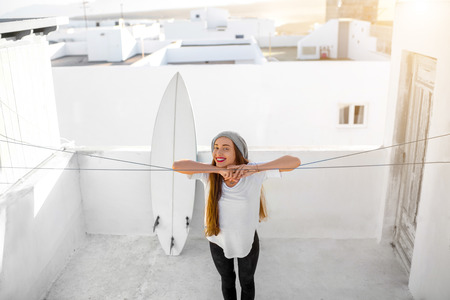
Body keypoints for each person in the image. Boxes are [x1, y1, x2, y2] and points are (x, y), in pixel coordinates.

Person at [172, 131, 300, 300]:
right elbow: (177, 165)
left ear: (238, 152)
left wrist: (254, 168)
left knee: (246, 281)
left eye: (226, 148)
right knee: (227, 280)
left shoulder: (254, 173)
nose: (218, 153)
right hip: (217, 240)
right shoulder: (208, 174)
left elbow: (294, 162)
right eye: (216, 148)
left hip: (246, 240)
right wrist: (218, 171)